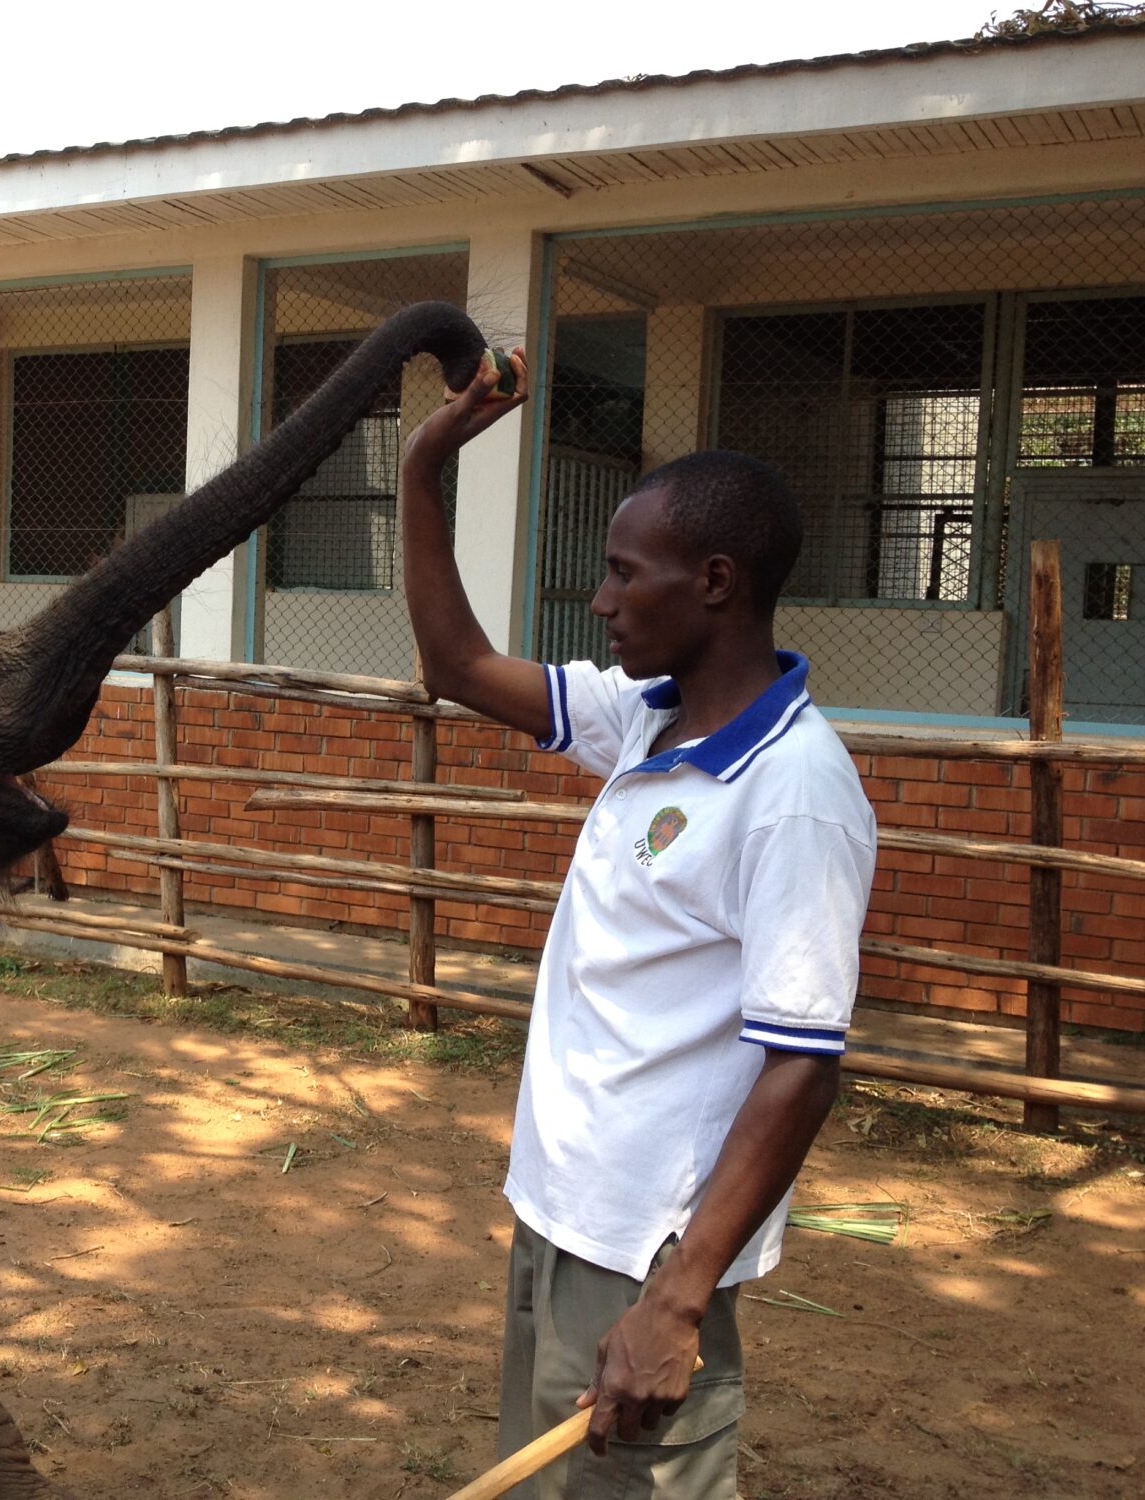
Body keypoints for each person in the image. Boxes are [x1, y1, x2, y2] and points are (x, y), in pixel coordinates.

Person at [399, 349, 876, 1498]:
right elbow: (455, 663)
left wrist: (676, 1300)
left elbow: (801, 1066)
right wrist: (422, 464)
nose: (601, 602)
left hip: (648, 1255)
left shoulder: (793, 794)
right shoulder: (645, 723)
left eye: (623, 575)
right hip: (562, 1214)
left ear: (712, 582)